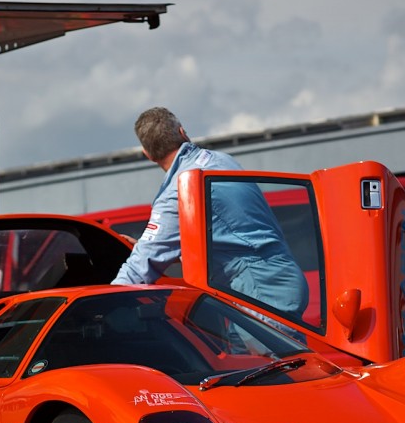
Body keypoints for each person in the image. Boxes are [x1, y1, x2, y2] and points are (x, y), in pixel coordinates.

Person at [111, 107, 308, 318]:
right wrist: (151, 245)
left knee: (268, 353)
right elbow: (228, 238)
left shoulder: (179, 191)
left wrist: (104, 305)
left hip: (259, 290)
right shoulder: (222, 161)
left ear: (148, 155)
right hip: (275, 280)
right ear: (182, 132)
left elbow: (141, 266)